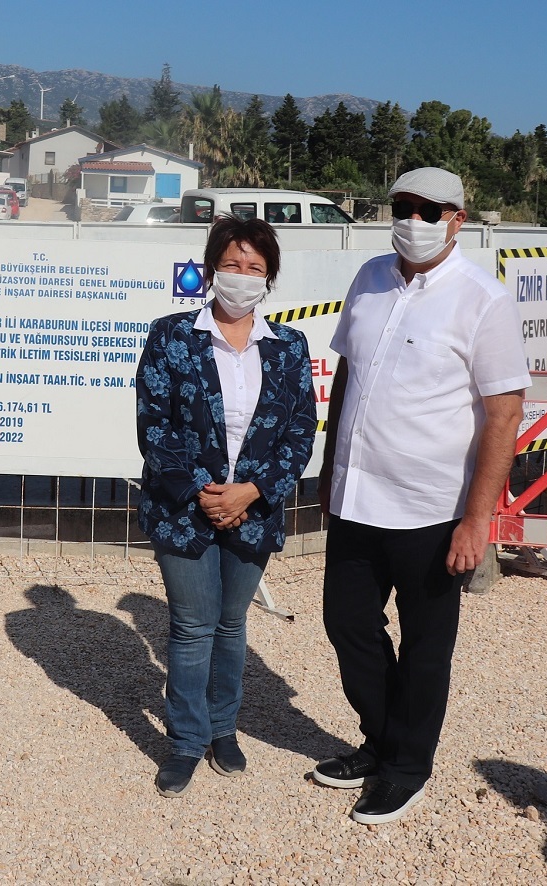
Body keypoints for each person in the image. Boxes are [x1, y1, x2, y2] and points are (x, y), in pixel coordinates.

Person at [313, 167, 531, 824]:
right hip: (357, 499)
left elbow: (503, 415)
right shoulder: (369, 278)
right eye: (402, 207)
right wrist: (330, 468)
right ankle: (383, 743)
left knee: (425, 647)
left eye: (428, 211)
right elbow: (349, 373)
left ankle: (406, 768)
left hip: (433, 511)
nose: (413, 220)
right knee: (347, 624)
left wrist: (477, 521)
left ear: (457, 219)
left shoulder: (483, 300)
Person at [136, 216, 316, 798]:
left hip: (255, 510)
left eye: (254, 267)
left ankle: (222, 728)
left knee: (231, 624)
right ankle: (186, 740)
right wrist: (204, 493)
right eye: (232, 264)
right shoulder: (171, 335)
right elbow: (155, 425)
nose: (242, 276)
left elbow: (300, 432)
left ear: (269, 278)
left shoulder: (288, 346)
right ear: (212, 268)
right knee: (193, 627)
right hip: (183, 509)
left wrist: (251, 491)